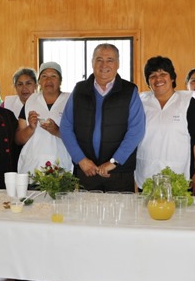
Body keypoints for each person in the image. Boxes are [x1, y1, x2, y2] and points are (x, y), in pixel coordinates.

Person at [60, 43, 146, 192]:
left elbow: (136, 130)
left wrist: (114, 162)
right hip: (87, 171)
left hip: (119, 172)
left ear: (118, 64)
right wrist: (81, 159)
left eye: (110, 60)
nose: (104, 64)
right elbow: (66, 127)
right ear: (92, 63)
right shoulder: (80, 90)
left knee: (121, 214)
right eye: (99, 59)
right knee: (86, 214)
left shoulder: (129, 91)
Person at [134, 56, 195, 195]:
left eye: (163, 74)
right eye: (152, 75)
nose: (158, 79)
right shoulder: (140, 102)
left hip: (179, 177)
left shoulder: (187, 102)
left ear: (172, 78)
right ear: (148, 81)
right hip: (146, 176)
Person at [16, 62, 72, 175]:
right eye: (44, 76)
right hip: (32, 166)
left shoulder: (70, 101)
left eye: (53, 76)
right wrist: (30, 128)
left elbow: (80, 136)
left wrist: (57, 131)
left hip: (61, 166)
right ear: (39, 81)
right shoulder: (31, 101)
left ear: (60, 81)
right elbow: (18, 139)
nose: (49, 80)